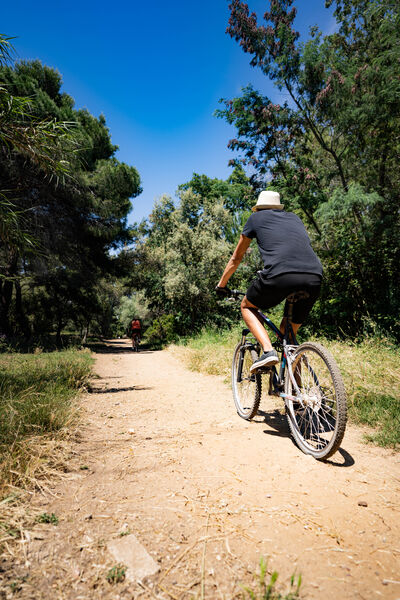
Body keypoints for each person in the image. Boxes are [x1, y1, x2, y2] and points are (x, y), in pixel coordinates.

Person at [216, 190, 322, 373]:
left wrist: (221, 285)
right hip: (314, 276)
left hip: (280, 274)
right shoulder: (294, 218)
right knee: (287, 335)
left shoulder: (255, 218)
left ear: (259, 208)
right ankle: (296, 397)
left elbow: (236, 258)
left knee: (247, 306)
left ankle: (268, 351)